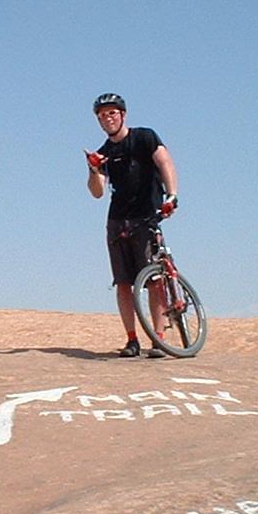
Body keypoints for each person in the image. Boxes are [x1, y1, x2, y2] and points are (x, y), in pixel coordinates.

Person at [85, 92, 180, 357]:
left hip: (146, 215)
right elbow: (97, 192)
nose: (108, 119)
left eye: (112, 113)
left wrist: (172, 195)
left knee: (154, 279)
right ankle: (131, 339)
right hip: (117, 220)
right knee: (123, 283)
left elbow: (165, 162)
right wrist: (94, 170)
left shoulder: (144, 137)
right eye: (102, 116)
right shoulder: (104, 153)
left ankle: (158, 338)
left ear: (123, 115)